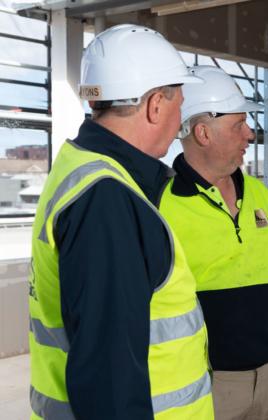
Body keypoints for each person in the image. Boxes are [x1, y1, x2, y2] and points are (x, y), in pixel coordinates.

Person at [27, 24, 213, 420]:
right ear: (155, 106)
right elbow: (108, 378)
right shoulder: (107, 199)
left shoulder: (85, 170)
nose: (181, 118)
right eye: (179, 101)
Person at [159, 66, 268, 420]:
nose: (250, 134)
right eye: (239, 124)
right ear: (203, 133)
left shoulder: (260, 193)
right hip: (207, 381)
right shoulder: (161, 204)